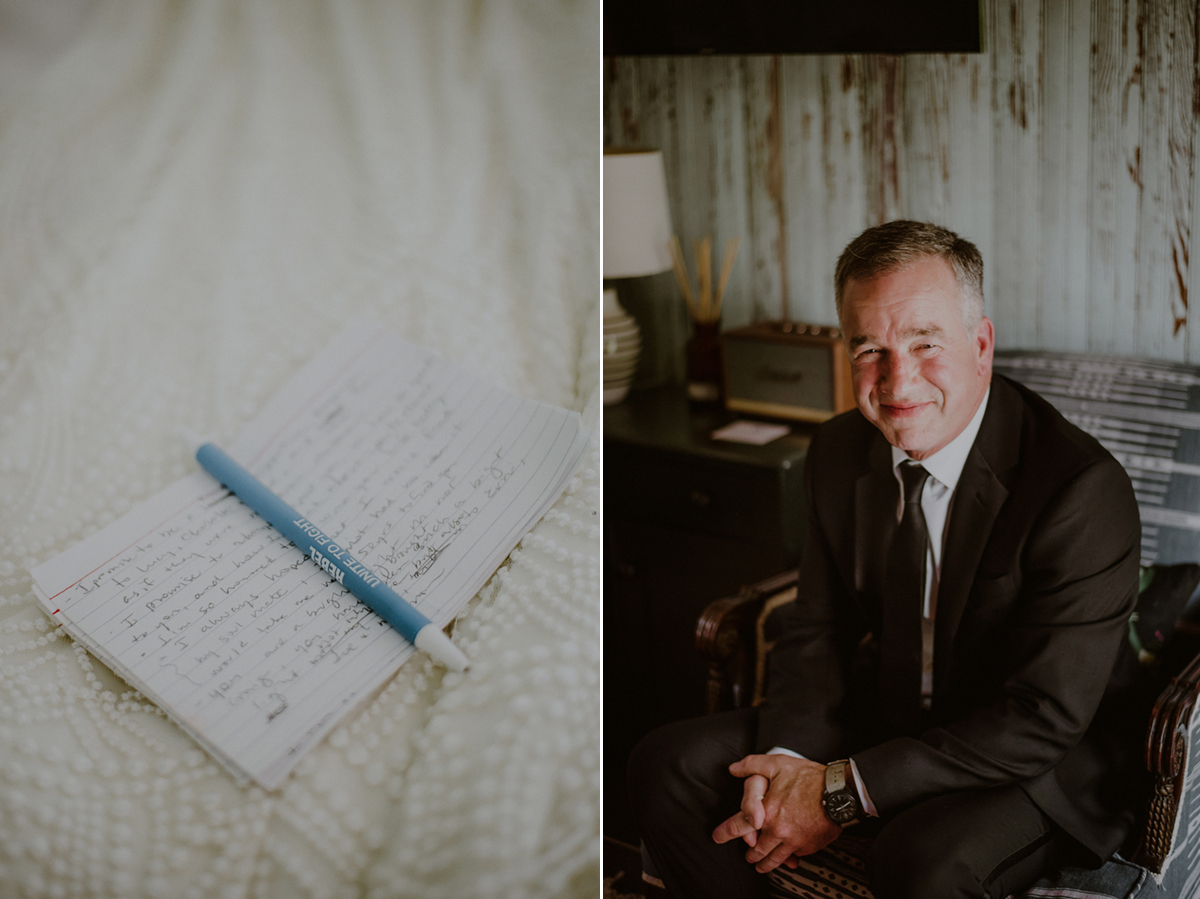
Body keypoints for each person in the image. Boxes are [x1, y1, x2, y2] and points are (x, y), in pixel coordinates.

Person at [628, 220, 1143, 899]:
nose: (897, 380)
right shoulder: (838, 452)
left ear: (980, 344)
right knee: (663, 762)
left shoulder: (1079, 487)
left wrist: (840, 793)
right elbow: (817, 625)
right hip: (892, 709)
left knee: (917, 861)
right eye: (869, 348)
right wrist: (785, 763)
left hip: (1036, 760)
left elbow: (1041, 715)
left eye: (926, 343)